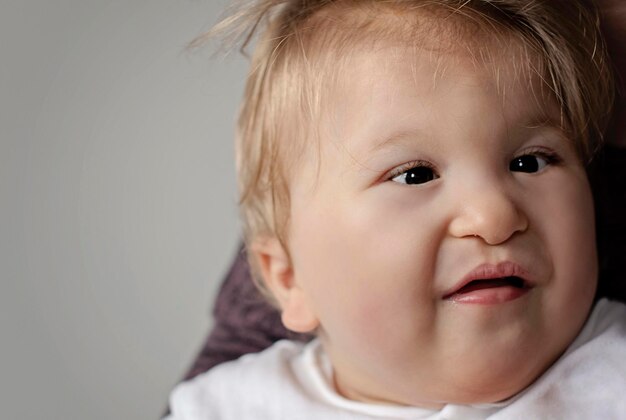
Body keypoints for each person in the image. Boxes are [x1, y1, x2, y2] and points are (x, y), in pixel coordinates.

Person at [166, 0, 626, 418]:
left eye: (529, 162)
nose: (494, 215)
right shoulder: (232, 408)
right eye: (415, 175)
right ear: (289, 279)